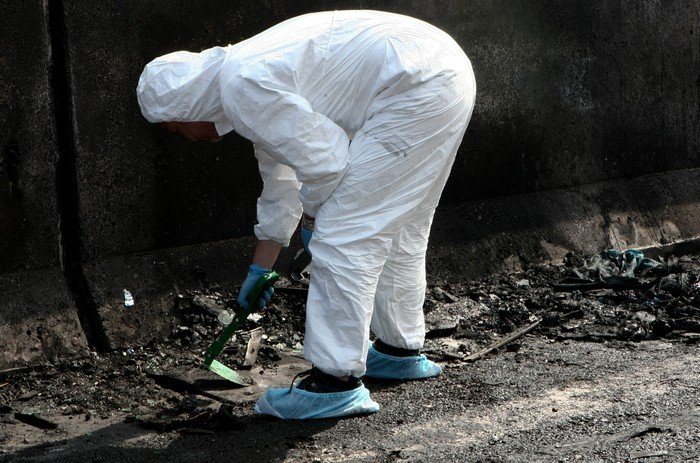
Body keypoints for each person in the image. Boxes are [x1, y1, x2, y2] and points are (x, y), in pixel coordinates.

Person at [137, 10, 476, 419]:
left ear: (182, 107)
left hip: (416, 85)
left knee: (345, 233)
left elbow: (327, 163)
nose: (187, 138)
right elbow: (282, 175)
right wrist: (261, 268)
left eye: (175, 129)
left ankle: (334, 384)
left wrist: (316, 221)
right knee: (400, 223)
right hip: (441, 72)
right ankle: (398, 350)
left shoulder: (243, 85)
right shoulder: (245, 75)